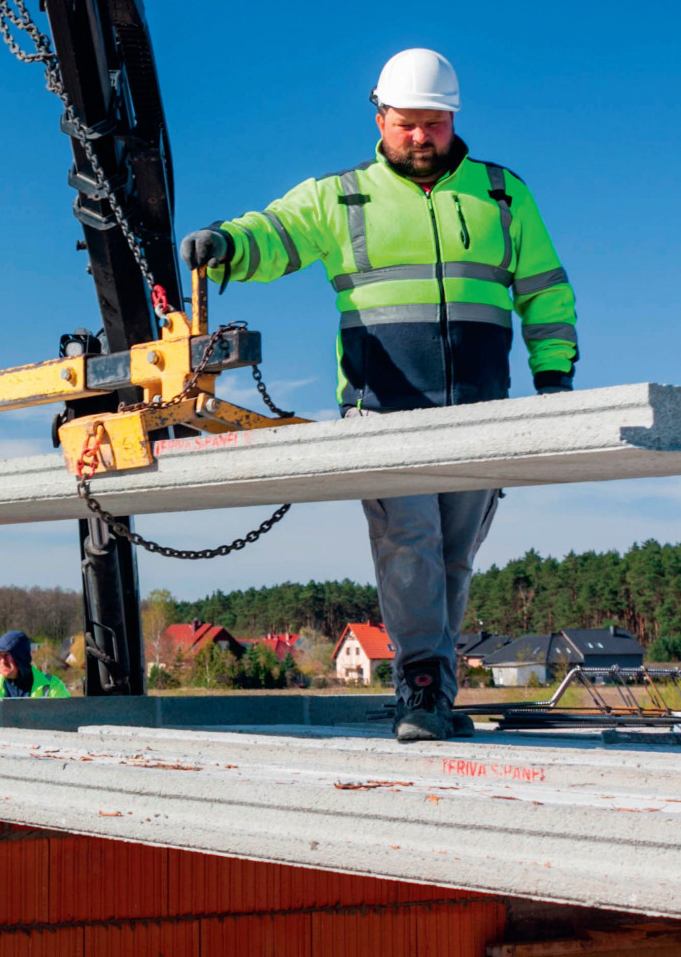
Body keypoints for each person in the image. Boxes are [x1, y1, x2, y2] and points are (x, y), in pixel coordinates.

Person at [181, 49, 577, 741]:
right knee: (407, 541)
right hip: (384, 410)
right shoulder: (343, 196)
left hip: (483, 409)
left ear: (454, 119)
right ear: (379, 117)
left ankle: (434, 685)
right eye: (406, 124)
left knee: (454, 553)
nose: (420, 137)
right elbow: (276, 231)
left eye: (434, 123)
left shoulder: (503, 194)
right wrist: (227, 245)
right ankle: (422, 678)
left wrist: (555, 380)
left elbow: (545, 291)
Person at [0, 630, 70, 699]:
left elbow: (67, 721)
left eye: (7, 655)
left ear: (22, 658)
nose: (3, 661)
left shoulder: (53, 686)